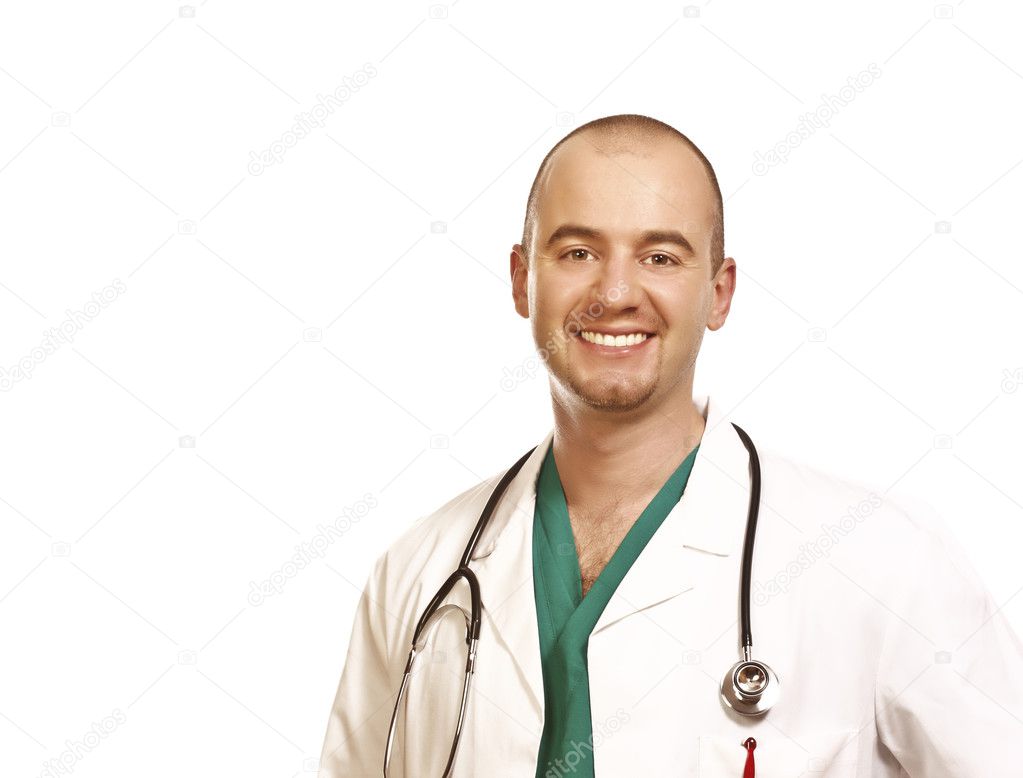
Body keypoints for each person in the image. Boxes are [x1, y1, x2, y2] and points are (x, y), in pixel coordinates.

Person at [317, 114, 1023, 777]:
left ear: (718, 293)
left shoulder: (881, 558)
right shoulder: (417, 573)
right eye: (577, 251)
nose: (615, 290)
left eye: (659, 255)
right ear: (521, 280)